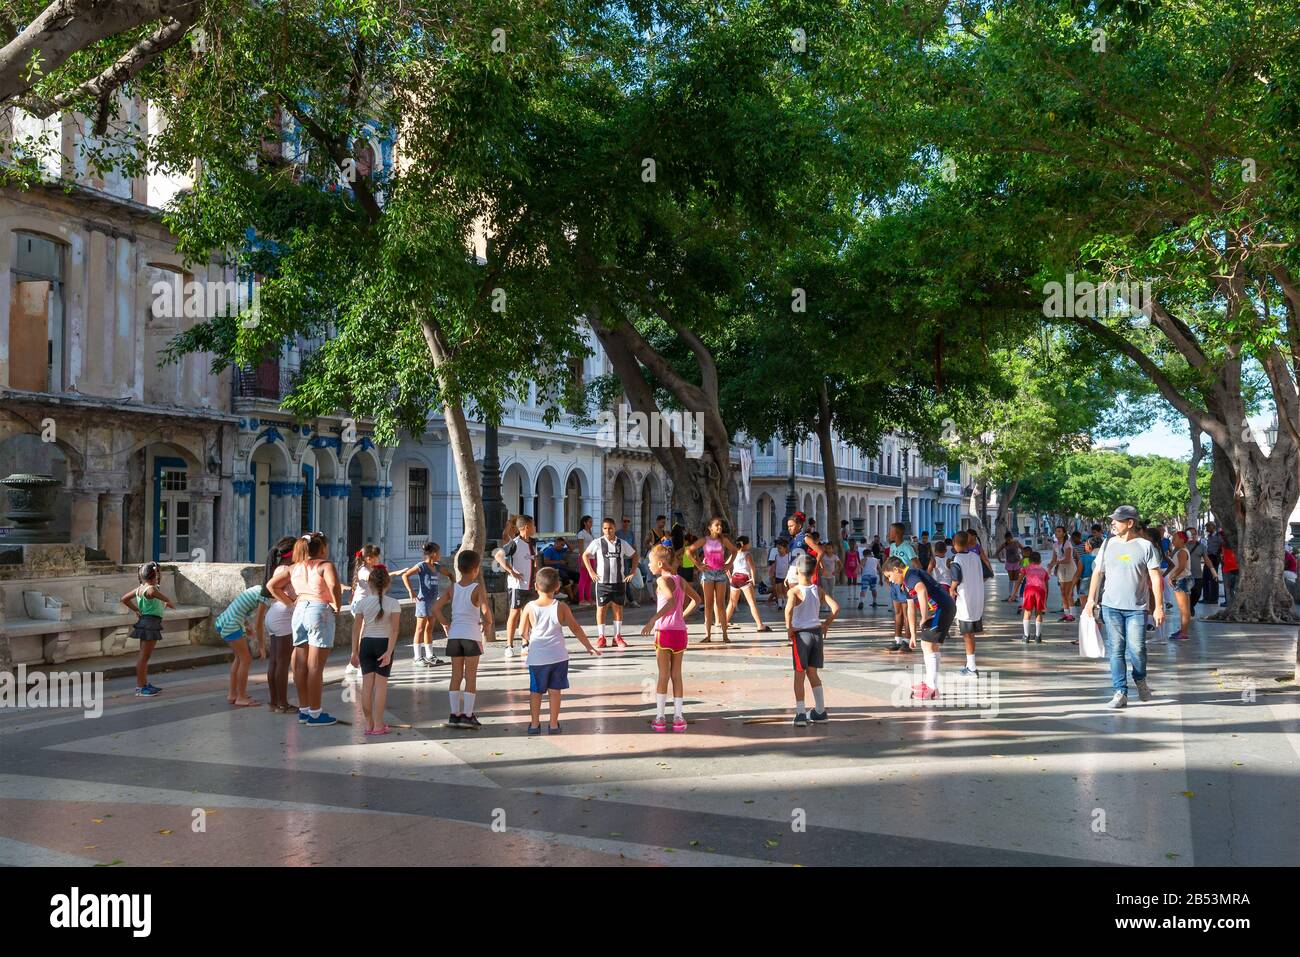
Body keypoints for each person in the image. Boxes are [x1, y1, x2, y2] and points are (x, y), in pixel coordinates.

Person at [1084, 505, 1164, 709]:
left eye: (1117, 520)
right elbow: (1097, 573)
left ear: (1130, 523)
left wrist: (1159, 607)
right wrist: (1091, 600)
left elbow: (1155, 578)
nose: (1113, 523)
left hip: (1137, 608)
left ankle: (1140, 678)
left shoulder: (1146, 546)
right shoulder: (1107, 545)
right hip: (1111, 607)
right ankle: (1120, 692)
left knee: (1137, 649)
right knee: (1116, 650)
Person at [268, 532, 341, 727]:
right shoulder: (325, 565)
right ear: (323, 548)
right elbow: (334, 586)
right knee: (315, 666)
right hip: (319, 610)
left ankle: (304, 709)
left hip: (299, 611)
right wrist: (337, 605)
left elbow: (271, 586)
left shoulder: (294, 568)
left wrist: (291, 602)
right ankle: (316, 714)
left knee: (300, 664)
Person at [521, 567, 601, 734]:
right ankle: (553, 725)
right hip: (558, 656)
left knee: (535, 692)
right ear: (557, 587)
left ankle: (534, 725)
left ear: (535, 586)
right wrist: (588, 646)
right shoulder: (562, 606)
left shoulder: (529, 607)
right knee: (555, 692)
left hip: (537, 658)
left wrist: (528, 641)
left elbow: (522, 631)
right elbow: (576, 628)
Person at [640, 544, 702, 732]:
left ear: (660, 563)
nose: (649, 565)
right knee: (676, 674)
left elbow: (671, 600)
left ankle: (660, 717)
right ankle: (678, 717)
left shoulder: (661, 580)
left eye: (650, 562)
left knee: (663, 675)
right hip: (680, 632)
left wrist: (653, 620)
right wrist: (681, 616)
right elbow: (697, 600)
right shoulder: (681, 579)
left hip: (664, 632)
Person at [433, 548, 494, 728]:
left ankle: (454, 714)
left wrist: (445, 623)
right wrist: (488, 623)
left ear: (459, 567)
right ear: (476, 569)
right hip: (471, 636)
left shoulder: (453, 588)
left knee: (456, 675)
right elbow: (485, 611)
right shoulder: (477, 588)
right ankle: (468, 715)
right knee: (471, 676)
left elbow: (436, 608)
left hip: (454, 637)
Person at [882, 554, 956, 701]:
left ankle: (932, 688)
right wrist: (913, 636)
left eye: (889, 576)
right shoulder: (904, 584)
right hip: (938, 610)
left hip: (942, 609)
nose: (890, 580)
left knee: (929, 645)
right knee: (928, 645)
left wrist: (924, 615)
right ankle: (930, 684)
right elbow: (910, 609)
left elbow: (921, 590)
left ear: (896, 570)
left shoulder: (910, 575)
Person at [785, 554, 840, 726]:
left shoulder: (794, 591)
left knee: (799, 674)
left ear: (797, 571)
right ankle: (820, 711)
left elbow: (787, 611)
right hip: (817, 634)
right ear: (813, 571)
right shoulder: (818, 590)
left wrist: (789, 629)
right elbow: (836, 607)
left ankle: (801, 713)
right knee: (813, 673)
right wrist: (826, 625)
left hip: (801, 636)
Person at [349, 564, 400, 735]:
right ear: (388, 584)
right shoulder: (393, 603)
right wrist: (389, 651)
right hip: (384, 644)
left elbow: (356, 629)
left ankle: (368, 724)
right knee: (380, 687)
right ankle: (379, 725)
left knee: (367, 686)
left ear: (369, 585)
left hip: (366, 644)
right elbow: (394, 630)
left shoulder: (362, 603)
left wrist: (354, 652)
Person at [213, 577, 271, 707]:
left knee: (239, 659)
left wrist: (245, 626)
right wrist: (262, 647)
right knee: (246, 659)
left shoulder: (257, 588)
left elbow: (239, 608)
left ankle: (233, 694)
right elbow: (259, 624)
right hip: (232, 624)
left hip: (226, 620)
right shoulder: (265, 596)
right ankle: (241, 697)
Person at [121, 561, 175, 697]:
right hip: (150, 624)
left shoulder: (140, 588)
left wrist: (136, 610)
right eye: (157, 574)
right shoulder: (150, 589)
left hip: (147, 621)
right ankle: (140, 688)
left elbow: (124, 599)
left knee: (144, 657)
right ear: (154, 576)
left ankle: (144, 684)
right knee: (143, 658)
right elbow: (152, 592)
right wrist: (167, 600)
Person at [582, 517, 638, 648]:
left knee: (618, 608)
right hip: (602, 582)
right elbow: (585, 555)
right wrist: (591, 571)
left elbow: (635, 555)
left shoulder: (622, 543)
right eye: (605, 528)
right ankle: (601, 636)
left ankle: (617, 636)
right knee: (601, 608)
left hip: (619, 581)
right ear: (602, 529)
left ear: (614, 528)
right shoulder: (597, 542)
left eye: (610, 528)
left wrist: (632, 571)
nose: (608, 531)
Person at [261, 537, 298, 713]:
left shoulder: (278, 568)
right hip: (283, 615)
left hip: (274, 614)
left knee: (275, 662)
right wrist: (292, 603)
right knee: (282, 662)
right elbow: (276, 589)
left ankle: (274, 702)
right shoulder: (287, 569)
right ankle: (282, 703)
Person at [493, 515, 537, 658]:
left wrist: (537, 577)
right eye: (533, 525)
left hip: (530, 585)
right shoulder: (515, 543)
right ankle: (509, 645)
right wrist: (511, 571)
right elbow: (498, 556)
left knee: (527, 615)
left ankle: (526, 644)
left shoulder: (534, 543)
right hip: (517, 586)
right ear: (526, 527)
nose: (535, 528)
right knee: (514, 613)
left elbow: (535, 561)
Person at [400, 542, 449, 668]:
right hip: (423, 601)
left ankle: (430, 655)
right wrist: (411, 591)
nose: (440, 555)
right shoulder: (421, 566)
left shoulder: (437, 567)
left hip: (433, 601)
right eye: (438, 553)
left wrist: (454, 584)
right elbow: (405, 575)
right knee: (420, 628)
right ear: (433, 554)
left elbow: (449, 574)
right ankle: (417, 657)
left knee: (429, 628)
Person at [690, 516, 737, 643]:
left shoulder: (723, 540)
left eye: (720, 525)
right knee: (708, 604)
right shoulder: (704, 540)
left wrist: (729, 564)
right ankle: (708, 635)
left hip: (721, 573)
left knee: (721, 604)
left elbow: (734, 551)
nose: (719, 527)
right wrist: (698, 565)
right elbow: (689, 551)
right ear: (710, 528)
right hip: (708, 573)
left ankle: (725, 634)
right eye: (717, 525)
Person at [948, 531, 985, 676]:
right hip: (977, 599)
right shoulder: (975, 556)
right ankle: (970, 663)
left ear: (954, 544)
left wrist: (951, 589)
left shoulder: (957, 559)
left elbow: (956, 579)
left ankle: (972, 668)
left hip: (965, 601)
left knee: (967, 635)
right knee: (970, 635)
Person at [725, 535, 771, 632]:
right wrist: (753, 579)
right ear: (745, 545)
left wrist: (730, 578)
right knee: (752, 603)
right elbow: (752, 567)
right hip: (744, 578)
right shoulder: (747, 554)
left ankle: (724, 622)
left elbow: (726, 566)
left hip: (734, 578)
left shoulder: (734, 553)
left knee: (732, 603)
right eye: (749, 542)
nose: (750, 544)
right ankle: (760, 625)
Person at [885, 522, 918, 652]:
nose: (889, 533)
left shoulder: (908, 547)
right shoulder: (892, 547)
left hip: (904, 583)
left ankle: (907, 640)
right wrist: (887, 577)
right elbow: (889, 562)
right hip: (894, 583)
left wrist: (910, 581)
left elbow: (916, 564)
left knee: (906, 613)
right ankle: (897, 639)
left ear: (897, 533)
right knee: (897, 612)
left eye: (891, 531)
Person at [1047, 526, 1077, 622]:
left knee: (1068, 593)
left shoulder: (1067, 544)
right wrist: (1050, 567)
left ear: (1064, 533)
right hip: (1061, 569)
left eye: (1059, 531)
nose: (1057, 533)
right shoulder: (1055, 545)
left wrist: (1056, 563)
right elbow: (1054, 558)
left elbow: (1068, 559)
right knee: (1063, 593)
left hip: (1069, 568)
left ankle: (1072, 614)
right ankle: (1066, 613)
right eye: (1056, 531)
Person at [1167, 531, 1193, 641]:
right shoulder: (1181, 551)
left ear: (1182, 540)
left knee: (1183, 609)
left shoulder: (1182, 551)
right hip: (1185, 579)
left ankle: (1183, 633)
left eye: (1175, 538)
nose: (1173, 541)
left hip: (1182, 580)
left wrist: (1172, 577)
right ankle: (1183, 630)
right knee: (1185, 608)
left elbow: (1181, 567)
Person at [1019, 551, 1049, 643]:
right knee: (1039, 613)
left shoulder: (1026, 568)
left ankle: (1026, 636)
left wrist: (1013, 593)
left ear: (1030, 560)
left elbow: (1018, 581)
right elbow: (1047, 586)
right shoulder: (1044, 571)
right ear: (1040, 560)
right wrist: (1046, 598)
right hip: (1041, 591)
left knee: (1027, 612)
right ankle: (1038, 637)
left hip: (1029, 591)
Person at [539, 537, 579, 603]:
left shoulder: (561, 550)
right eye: (561, 545)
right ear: (556, 543)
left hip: (562, 569)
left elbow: (572, 549)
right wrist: (559, 562)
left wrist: (566, 541)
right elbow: (546, 562)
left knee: (578, 576)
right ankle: (572, 598)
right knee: (565, 577)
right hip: (553, 570)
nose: (562, 547)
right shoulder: (549, 550)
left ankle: (573, 596)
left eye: (563, 545)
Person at [616, 517, 640, 606]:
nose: (626, 523)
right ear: (621, 522)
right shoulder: (617, 533)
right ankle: (631, 600)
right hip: (623, 559)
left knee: (630, 578)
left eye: (628, 521)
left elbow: (634, 546)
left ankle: (627, 599)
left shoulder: (631, 533)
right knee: (626, 579)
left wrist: (636, 558)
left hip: (631, 558)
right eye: (624, 521)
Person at [996, 532, 1023, 601]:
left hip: (1017, 562)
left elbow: (1024, 548)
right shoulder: (1005, 544)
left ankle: (1015, 595)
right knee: (1011, 579)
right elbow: (997, 551)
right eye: (1007, 539)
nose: (1008, 541)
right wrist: (1000, 560)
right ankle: (1010, 595)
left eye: (1009, 539)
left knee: (1016, 579)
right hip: (1009, 563)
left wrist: (1023, 558)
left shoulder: (1016, 542)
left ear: (1012, 538)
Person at [575, 514, 596, 605]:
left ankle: (588, 598)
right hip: (585, 558)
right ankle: (581, 599)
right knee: (583, 579)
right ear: (584, 523)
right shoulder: (581, 533)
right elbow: (580, 548)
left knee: (589, 580)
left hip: (592, 557)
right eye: (589, 521)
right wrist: (583, 560)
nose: (591, 523)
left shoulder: (590, 533)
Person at [768, 537, 791, 608]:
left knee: (785, 591)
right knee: (779, 591)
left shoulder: (788, 556)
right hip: (778, 576)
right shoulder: (777, 556)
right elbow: (775, 566)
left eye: (780, 548)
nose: (779, 550)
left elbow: (790, 566)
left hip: (785, 576)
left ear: (785, 549)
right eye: (778, 549)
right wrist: (773, 575)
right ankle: (780, 605)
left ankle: (786, 604)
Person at [1220, 537, 1239, 607]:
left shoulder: (1227, 544)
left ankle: (1230, 603)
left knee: (1229, 588)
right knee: (1230, 588)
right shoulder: (1235, 544)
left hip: (1231, 568)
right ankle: (1230, 603)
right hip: (1230, 567)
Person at [843, 540, 861, 608]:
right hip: (848, 568)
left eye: (853, 544)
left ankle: (855, 595)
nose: (852, 546)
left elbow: (859, 560)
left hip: (855, 568)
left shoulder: (857, 552)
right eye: (851, 544)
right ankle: (849, 595)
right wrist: (844, 568)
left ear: (855, 545)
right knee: (849, 581)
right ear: (849, 545)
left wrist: (860, 568)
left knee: (855, 581)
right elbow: (845, 560)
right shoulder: (847, 552)